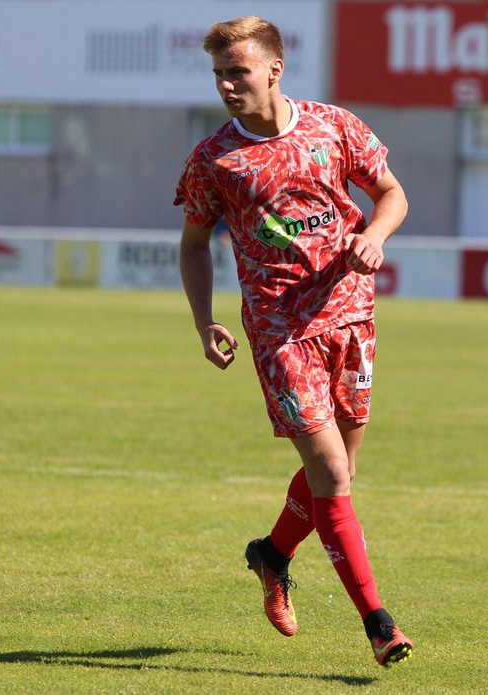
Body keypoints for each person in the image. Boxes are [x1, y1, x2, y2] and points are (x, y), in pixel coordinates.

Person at [173, 16, 413, 668]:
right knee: (331, 472)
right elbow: (193, 244)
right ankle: (379, 623)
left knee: (339, 471)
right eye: (219, 74)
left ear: (275, 69)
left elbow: (392, 193)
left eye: (238, 72)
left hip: (351, 318)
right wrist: (204, 320)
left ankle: (272, 553)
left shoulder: (334, 127)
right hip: (279, 331)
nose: (226, 84)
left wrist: (375, 236)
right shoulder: (215, 158)